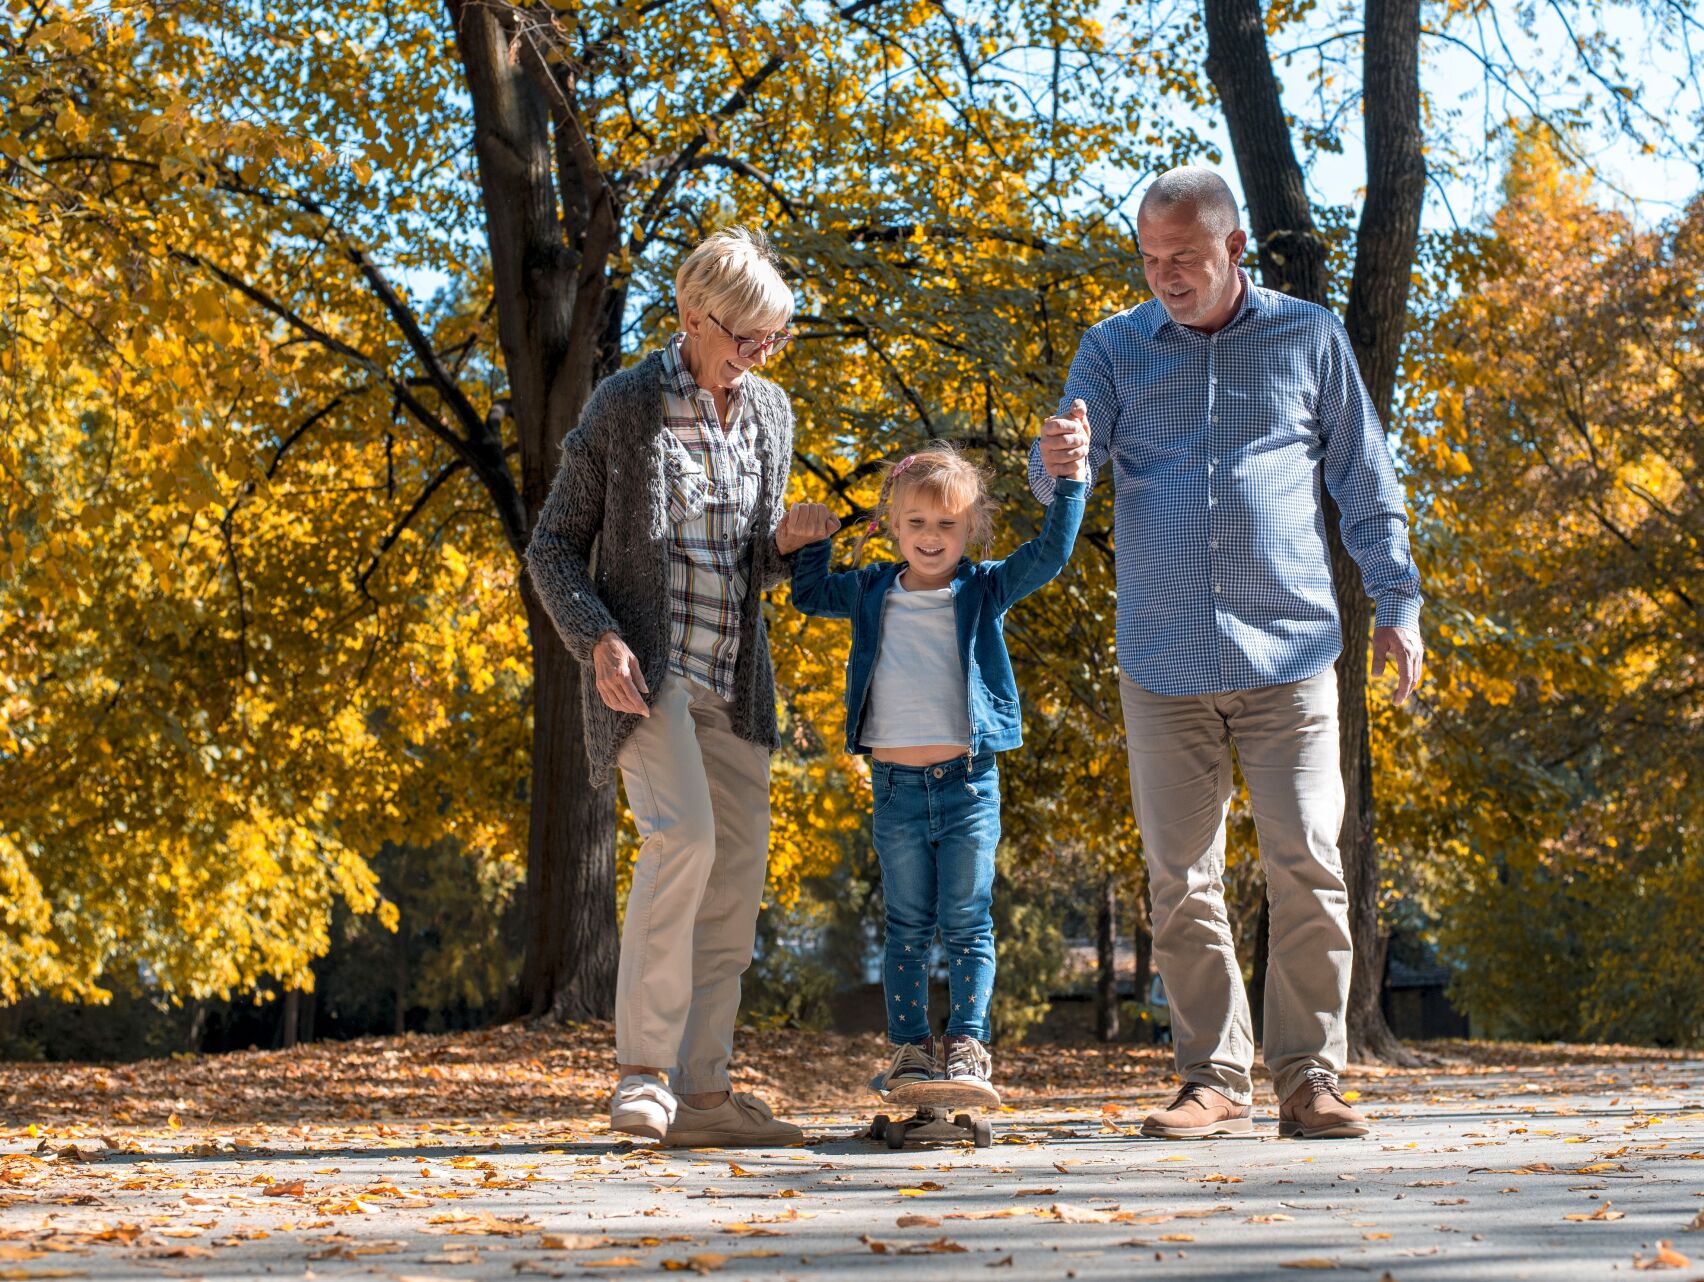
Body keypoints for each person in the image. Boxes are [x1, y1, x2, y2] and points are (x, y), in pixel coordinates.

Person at [1028, 167, 1425, 1140]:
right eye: (1151, 259)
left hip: (1290, 657)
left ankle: (1310, 1077)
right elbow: (1060, 481)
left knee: (1307, 865)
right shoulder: (1114, 349)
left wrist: (1398, 600)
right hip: (1163, 663)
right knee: (1181, 880)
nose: (1165, 275)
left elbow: (1366, 484)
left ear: (1235, 248)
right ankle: (1212, 1076)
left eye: (1186, 258)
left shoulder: (1308, 338)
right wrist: (1056, 464)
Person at [524, 227, 815, 1147]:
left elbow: (753, 561)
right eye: (748, 338)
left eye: (776, 339)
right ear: (695, 318)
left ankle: (703, 1092)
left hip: (736, 680)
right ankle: (642, 1073)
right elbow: (554, 547)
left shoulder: (769, 413)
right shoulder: (624, 406)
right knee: (682, 838)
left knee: (733, 879)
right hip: (648, 681)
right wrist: (598, 638)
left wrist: (792, 548)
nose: (761, 356)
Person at [782, 441, 1088, 1105]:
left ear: (970, 528)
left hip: (968, 785)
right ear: (893, 526)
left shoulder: (983, 590)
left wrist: (1069, 485)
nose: (930, 537)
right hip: (894, 790)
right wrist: (812, 540)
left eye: (947, 525)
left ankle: (967, 1047)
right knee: (908, 927)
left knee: (968, 921)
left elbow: (1052, 554)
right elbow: (807, 594)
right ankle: (912, 1051)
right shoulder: (869, 593)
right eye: (916, 523)